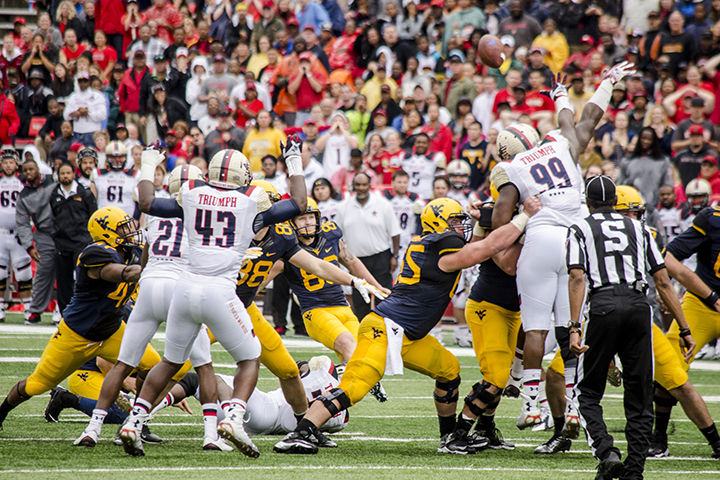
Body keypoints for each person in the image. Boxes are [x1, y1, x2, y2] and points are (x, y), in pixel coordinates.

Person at [273, 195, 540, 454]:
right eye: (454, 221)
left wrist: (483, 221)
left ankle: (449, 438)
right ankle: (301, 431)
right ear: (438, 225)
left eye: (461, 221)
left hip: (409, 333)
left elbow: (480, 245)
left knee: (449, 370)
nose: (461, 226)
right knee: (355, 385)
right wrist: (525, 215)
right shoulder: (441, 249)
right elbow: (487, 248)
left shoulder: (433, 243)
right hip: (383, 328)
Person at [118, 139, 308, 458]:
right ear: (241, 176)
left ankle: (134, 421)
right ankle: (233, 417)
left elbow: (148, 202)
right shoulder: (250, 201)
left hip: (184, 289)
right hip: (219, 291)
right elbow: (299, 203)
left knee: (171, 361)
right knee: (250, 358)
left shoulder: (191, 192)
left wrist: (148, 162)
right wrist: (294, 160)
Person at [490, 63, 636, 450]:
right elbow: (588, 117)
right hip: (576, 242)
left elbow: (500, 219)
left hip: (540, 239)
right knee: (570, 327)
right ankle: (572, 407)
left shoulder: (511, 165)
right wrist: (602, 82)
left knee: (535, 328)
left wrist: (517, 216)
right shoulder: (560, 144)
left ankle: (532, 406)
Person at [565, 175, 691, 480]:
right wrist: (684, 327)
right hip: (638, 306)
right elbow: (662, 281)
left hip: (604, 305)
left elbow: (577, 277)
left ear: (589, 201)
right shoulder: (640, 228)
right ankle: (635, 470)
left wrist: (573, 326)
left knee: (586, 391)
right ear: (615, 203)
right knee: (639, 393)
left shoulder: (581, 227)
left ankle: (607, 451)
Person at [0, 207, 155, 431]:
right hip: (76, 335)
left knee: (152, 365)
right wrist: (150, 264)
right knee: (38, 384)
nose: (131, 231)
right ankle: (2, 411)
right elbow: (123, 273)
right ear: (107, 232)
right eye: (124, 227)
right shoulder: (96, 253)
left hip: (111, 330)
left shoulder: (132, 250)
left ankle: (136, 421)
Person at [152, 356, 348, 435]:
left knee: (196, 380)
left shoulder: (325, 368)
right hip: (270, 424)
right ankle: (231, 417)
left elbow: (299, 368)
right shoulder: (342, 420)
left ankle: (143, 412)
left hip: (268, 408)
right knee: (198, 384)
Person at [335, 173, 400, 319]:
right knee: (360, 300)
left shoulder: (383, 205)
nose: (361, 188)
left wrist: (395, 256)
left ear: (370, 186)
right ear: (353, 186)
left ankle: (384, 330)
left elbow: (395, 233)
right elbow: (336, 234)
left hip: (381, 257)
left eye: (364, 185)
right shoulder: (343, 207)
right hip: (356, 261)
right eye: (358, 185)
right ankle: (363, 332)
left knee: (383, 297)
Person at [50, 159, 97, 314]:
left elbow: (93, 216)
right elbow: (50, 217)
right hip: (62, 243)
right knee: (63, 281)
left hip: (81, 242)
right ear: (58, 175)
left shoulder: (85, 193)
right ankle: (64, 313)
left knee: (82, 278)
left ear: (73, 174)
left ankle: (83, 310)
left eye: (68, 173)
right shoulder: (54, 194)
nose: (65, 176)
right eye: (62, 173)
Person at [15, 158, 55, 325]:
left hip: (64, 231)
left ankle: (64, 310)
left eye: (31, 169)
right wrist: (29, 246)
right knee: (43, 271)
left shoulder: (53, 182)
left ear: (38, 169)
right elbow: (22, 223)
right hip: (44, 233)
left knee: (67, 272)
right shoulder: (23, 196)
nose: (29, 173)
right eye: (26, 170)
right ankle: (35, 311)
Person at [0, 149, 32, 322]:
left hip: (19, 233)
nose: (8, 165)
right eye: (5, 162)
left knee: (24, 273)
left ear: (16, 164)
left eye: (11, 162)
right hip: (1, 232)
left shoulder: (23, 182)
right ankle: (0, 309)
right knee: (0, 272)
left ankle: (28, 309)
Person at [63, 71, 108, 146]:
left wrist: (88, 113)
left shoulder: (97, 96)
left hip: (92, 132)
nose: (83, 84)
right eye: (80, 81)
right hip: (77, 133)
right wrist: (76, 113)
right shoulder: (73, 96)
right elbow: (65, 115)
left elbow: (102, 115)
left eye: (85, 81)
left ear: (89, 82)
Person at [92, 141, 136, 217]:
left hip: (127, 220)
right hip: (104, 219)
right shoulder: (97, 175)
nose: (117, 161)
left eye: (120, 157)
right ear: (107, 158)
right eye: (113, 158)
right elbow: (92, 202)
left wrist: (136, 220)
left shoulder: (135, 176)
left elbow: (140, 203)